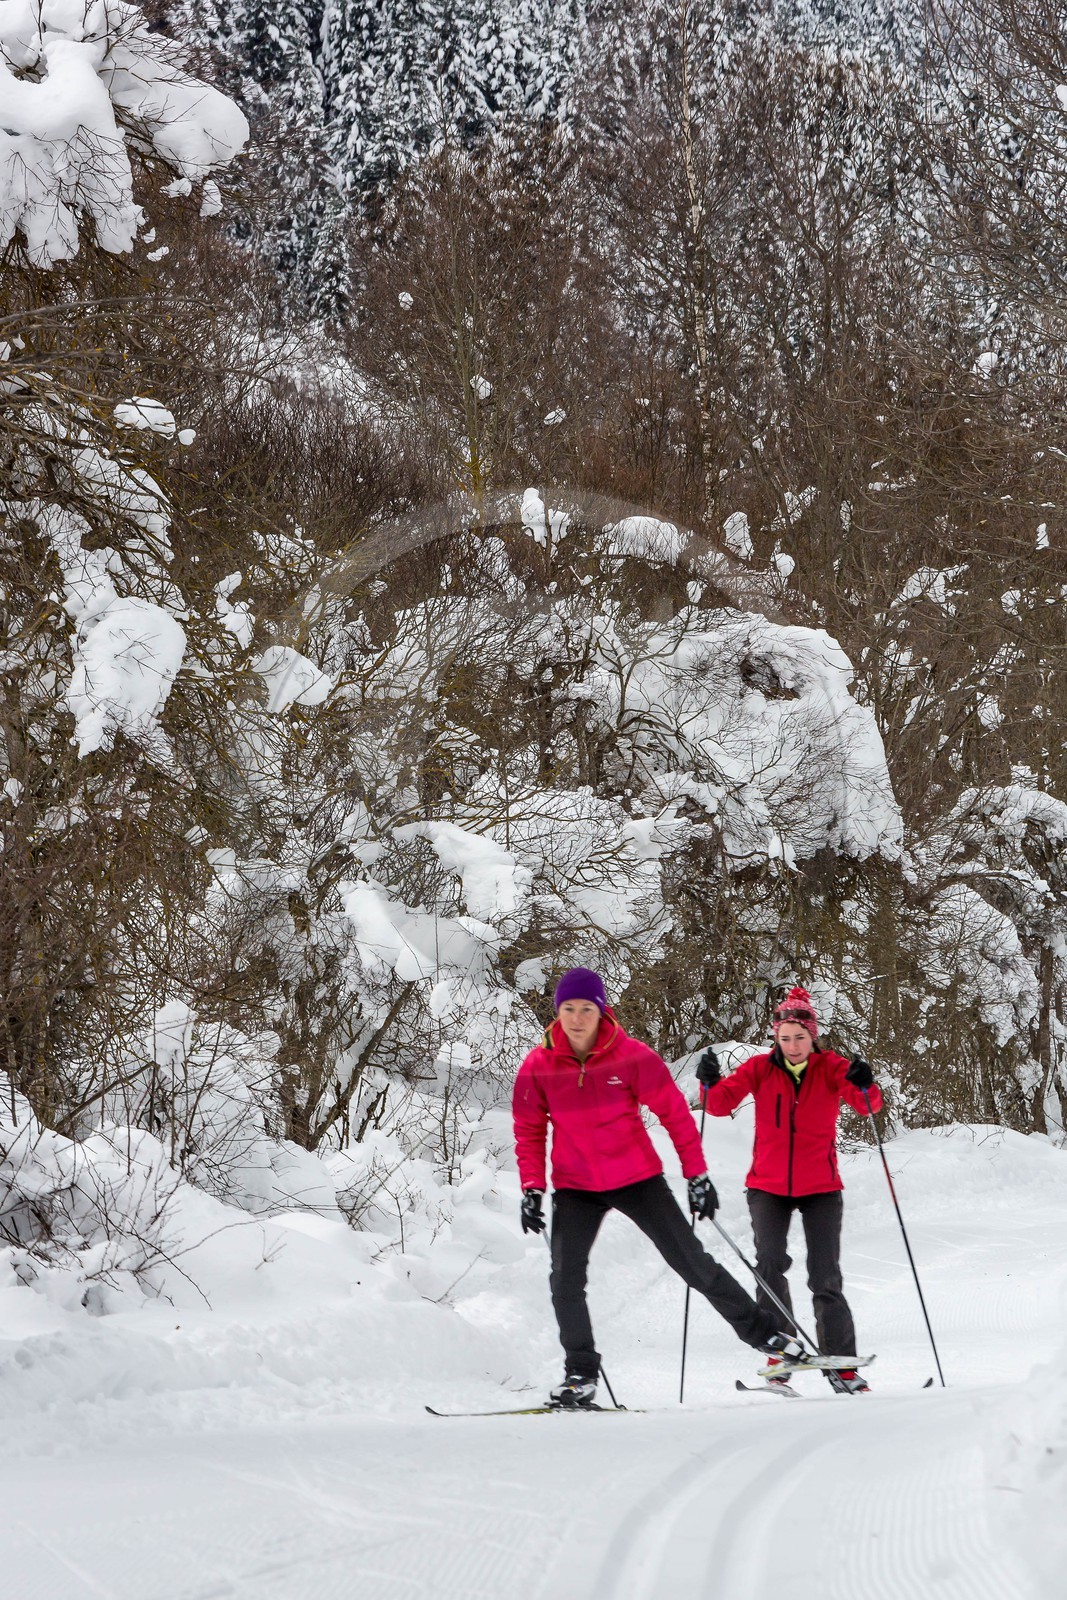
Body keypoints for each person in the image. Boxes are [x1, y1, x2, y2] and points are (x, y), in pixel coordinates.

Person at [512, 966, 802, 1408]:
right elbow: (528, 1129)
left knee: (693, 1264)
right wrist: (532, 1187)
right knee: (564, 1280)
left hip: (637, 1179)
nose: (575, 1018)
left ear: (601, 1010)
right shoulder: (538, 1066)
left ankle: (768, 1336)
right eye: (567, 1009)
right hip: (576, 1185)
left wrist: (697, 1176)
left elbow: (675, 1116)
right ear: (557, 1012)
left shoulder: (632, 1057)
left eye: (585, 1008)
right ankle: (580, 1374)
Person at [696, 985, 883, 1394]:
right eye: (785, 1038)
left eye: (800, 1037)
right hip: (768, 1185)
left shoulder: (831, 1067)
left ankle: (843, 1367)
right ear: (776, 1038)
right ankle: (780, 1352)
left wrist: (865, 1083)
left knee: (825, 1276)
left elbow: (868, 1105)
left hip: (821, 1186)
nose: (794, 1045)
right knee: (769, 1266)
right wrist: (709, 1083)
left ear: (812, 1035)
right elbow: (719, 1105)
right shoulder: (760, 1069)